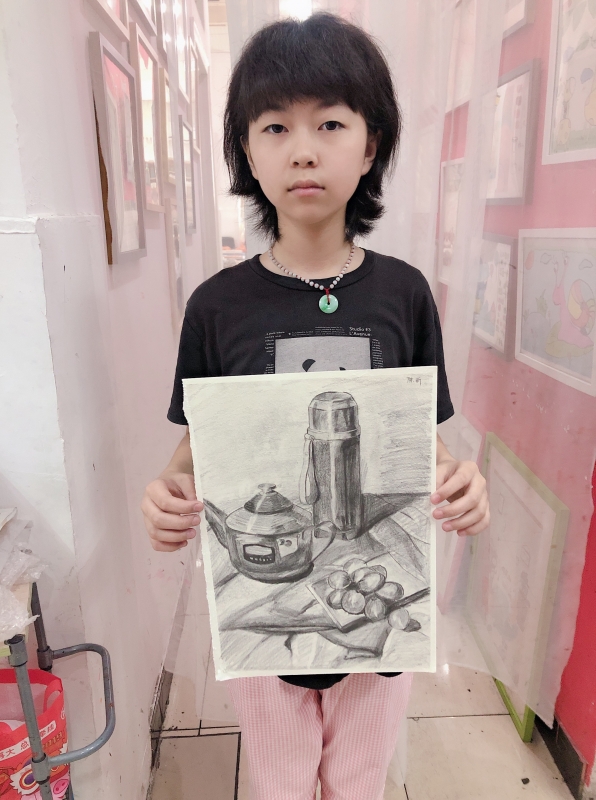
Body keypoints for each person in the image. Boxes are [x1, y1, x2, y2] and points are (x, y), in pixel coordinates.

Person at [141, 13, 490, 800]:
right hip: (269, 602)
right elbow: (195, 449)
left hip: (377, 593)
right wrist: (165, 491)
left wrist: (460, 480)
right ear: (246, 152)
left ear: (370, 147)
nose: (303, 149)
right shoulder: (216, 307)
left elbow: (423, 440)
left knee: (359, 777)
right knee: (281, 775)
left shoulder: (405, 293)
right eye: (275, 127)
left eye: (330, 123)